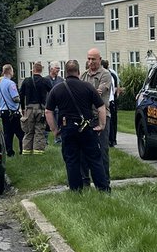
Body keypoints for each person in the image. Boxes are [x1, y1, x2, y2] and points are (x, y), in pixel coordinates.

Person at [45, 59, 109, 192]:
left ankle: (76, 190)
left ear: (65, 72)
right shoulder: (87, 87)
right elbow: (101, 107)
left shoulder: (57, 89)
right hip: (86, 127)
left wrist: (54, 129)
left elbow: (48, 111)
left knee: (72, 160)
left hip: (67, 128)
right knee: (94, 159)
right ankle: (103, 189)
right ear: (79, 72)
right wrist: (102, 125)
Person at [80, 48, 112, 187]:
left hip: (102, 116)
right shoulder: (83, 75)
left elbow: (97, 93)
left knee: (102, 150)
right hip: (86, 117)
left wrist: (83, 93)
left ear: (99, 59)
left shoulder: (105, 75)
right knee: (83, 150)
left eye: (93, 59)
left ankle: (105, 181)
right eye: (89, 59)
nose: (91, 62)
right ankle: (84, 181)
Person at [19, 61, 51, 153]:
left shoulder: (26, 81)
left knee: (28, 131)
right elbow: (52, 92)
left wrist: (23, 108)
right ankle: (38, 150)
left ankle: (26, 150)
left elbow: (21, 95)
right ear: (41, 70)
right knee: (39, 130)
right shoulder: (45, 81)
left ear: (33, 70)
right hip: (41, 108)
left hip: (29, 108)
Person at [0, 64, 23, 156]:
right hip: (12, 111)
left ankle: (9, 151)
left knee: (8, 133)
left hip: (3, 111)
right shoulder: (11, 84)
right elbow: (15, 98)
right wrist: (21, 99)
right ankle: (22, 150)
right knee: (20, 132)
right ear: (10, 71)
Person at [102, 59, 121, 145]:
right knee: (112, 121)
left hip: (109, 100)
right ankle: (113, 139)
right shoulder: (112, 74)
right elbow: (117, 87)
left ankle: (111, 140)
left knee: (109, 121)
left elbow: (113, 88)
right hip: (112, 100)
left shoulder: (107, 75)